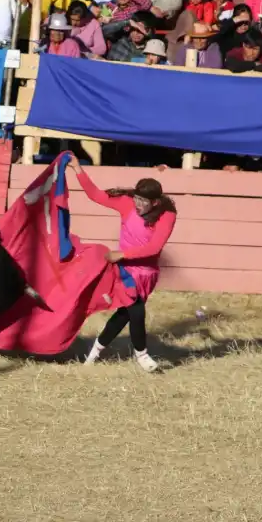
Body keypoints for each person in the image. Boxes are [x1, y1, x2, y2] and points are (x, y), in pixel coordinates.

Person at [66, 154, 177, 373]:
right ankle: (142, 356)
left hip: (147, 272)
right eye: (136, 198)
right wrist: (78, 169)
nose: (138, 204)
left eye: (143, 201)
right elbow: (96, 195)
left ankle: (93, 354)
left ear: (155, 202)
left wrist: (121, 253)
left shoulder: (167, 215)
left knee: (124, 315)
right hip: (126, 271)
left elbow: (154, 248)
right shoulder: (127, 204)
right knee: (136, 311)